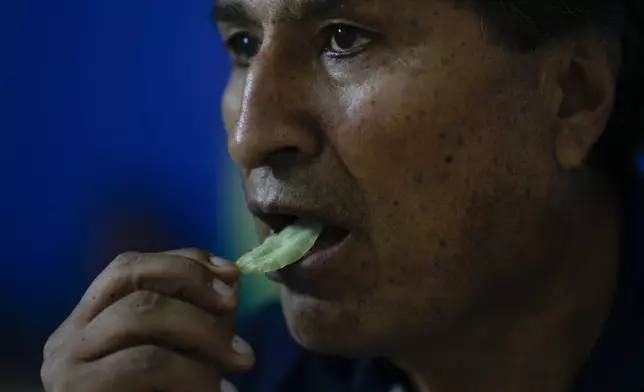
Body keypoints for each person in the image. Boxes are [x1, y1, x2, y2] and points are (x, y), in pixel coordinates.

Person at [41, 0, 644, 391]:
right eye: (243, 46)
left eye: (344, 39)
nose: (250, 137)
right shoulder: (235, 377)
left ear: (571, 96)